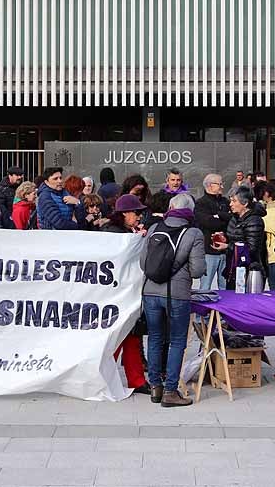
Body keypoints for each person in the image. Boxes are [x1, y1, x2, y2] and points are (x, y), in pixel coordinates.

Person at [140, 193, 206, 407]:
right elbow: (197, 271)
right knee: (177, 341)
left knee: (155, 338)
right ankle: (170, 391)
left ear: (170, 207)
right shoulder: (193, 233)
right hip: (177, 294)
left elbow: (143, 263)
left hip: (150, 292)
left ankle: (155, 387)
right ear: (190, 211)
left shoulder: (154, 228)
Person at [103, 194, 149, 393]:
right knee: (119, 338)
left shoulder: (123, 232)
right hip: (117, 294)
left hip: (125, 292)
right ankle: (106, 378)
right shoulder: (115, 234)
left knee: (131, 336)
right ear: (124, 213)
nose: (139, 216)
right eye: (136, 213)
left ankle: (136, 380)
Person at [222, 186, 266, 291]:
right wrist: (224, 238)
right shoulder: (235, 218)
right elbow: (235, 238)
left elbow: (252, 248)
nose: (230, 204)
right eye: (230, 200)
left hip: (249, 269)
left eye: (234, 201)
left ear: (245, 203)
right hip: (233, 267)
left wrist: (227, 246)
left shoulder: (254, 220)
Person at [194, 174, 230, 290]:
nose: (222, 187)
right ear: (210, 185)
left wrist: (218, 216)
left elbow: (232, 220)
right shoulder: (201, 203)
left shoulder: (226, 201)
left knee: (226, 286)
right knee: (205, 286)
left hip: (225, 251)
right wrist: (223, 218)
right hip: (208, 251)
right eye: (219, 184)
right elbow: (208, 222)